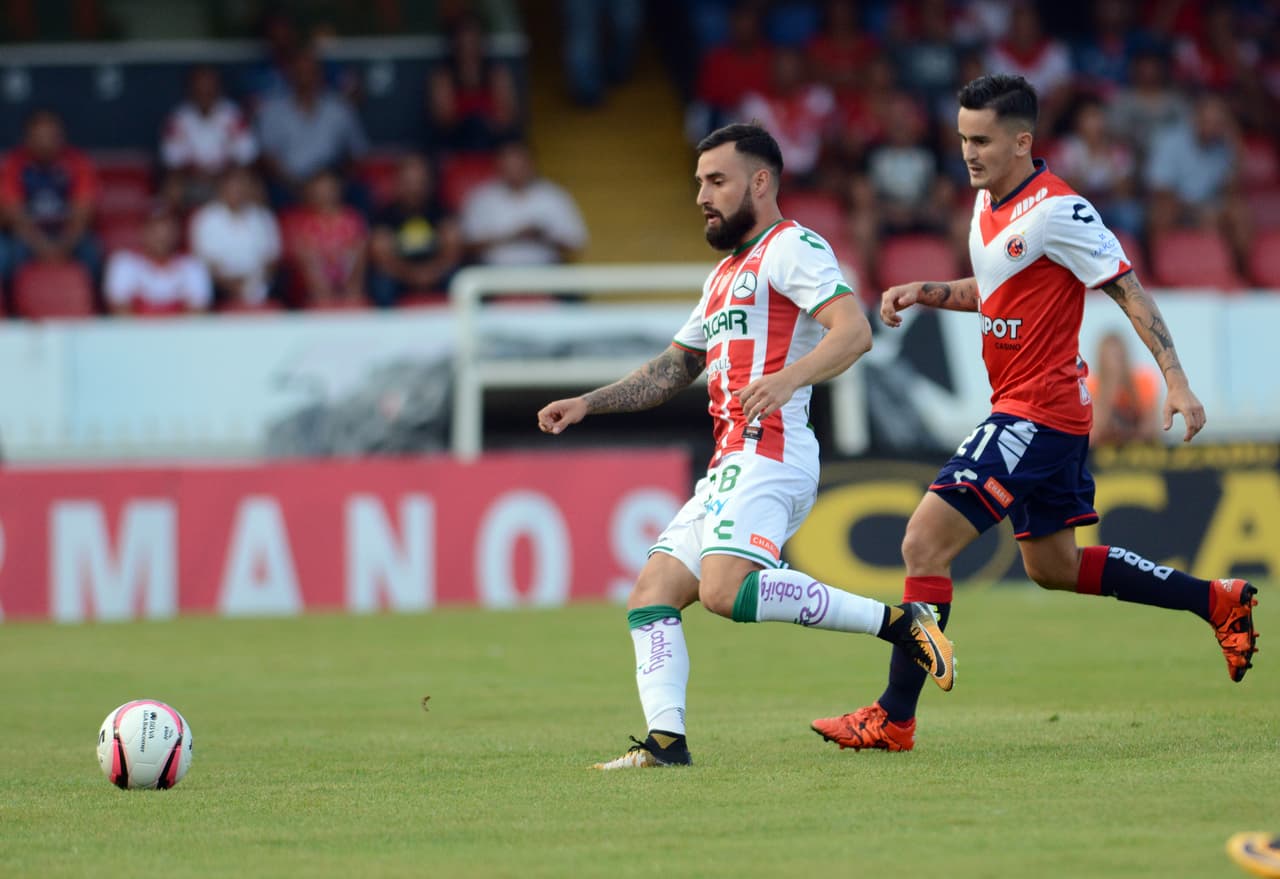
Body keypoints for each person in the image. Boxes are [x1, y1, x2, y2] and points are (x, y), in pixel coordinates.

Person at [811, 74, 1258, 754]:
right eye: (962, 138)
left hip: (1036, 413)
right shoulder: (985, 204)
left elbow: (1130, 292)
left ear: (1023, 141)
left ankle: (894, 716)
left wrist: (1175, 380)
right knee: (1053, 565)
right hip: (1036, 412)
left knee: (922, 543)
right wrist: (927, 290)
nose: (968, 152)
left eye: (982, 139)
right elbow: (992, 292)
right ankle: (1216, 600)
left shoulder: (1061, 211)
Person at [536, 123, 955, 770]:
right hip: (731, 460)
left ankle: (901, 623)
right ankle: (666, 743)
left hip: (772, 450)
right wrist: (589, 402)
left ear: (760, 182)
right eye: (698, 181)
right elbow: (673, 368)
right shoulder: (725, 275)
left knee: (724, 591)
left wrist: (788, 377)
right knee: (652, 594)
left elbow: (853, 332)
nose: (701, 194)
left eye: (716, 181)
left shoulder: (793, 247)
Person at [0, 108, 100, 282]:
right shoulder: (14, 164)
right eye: (39, 138)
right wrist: (43, 249)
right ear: (27, 139)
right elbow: (15, 216)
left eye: (51, 137)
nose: (45, 143)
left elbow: (82, 214)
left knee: (91, 253)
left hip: (66, 233)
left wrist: (63, 247)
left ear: (61, 138)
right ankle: (10, 306)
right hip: (26, 235)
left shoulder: (77, 162)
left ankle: (91, 306)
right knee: (8, 255)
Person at [256, 50, 368, 203]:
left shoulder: (340, 108)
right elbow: (266, 157)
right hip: (287, 184)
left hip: (332, 181)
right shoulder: (273, 110)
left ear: (319, 75)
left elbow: (355, 153)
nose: (305, 78)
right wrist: (295, 184)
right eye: (299, 72)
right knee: (269, 194)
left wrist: (336, 182)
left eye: (310, 72)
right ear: (290, 76)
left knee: (360, 193)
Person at [459, 140, 587, 267]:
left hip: (545, 274)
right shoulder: (482, 198)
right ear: (498, 165)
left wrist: (543, 236)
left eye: (519, 163)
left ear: (531, 163)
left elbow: (576, 244)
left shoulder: (554, 196)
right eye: (509, 164)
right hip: (492, 275)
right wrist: (513, 236)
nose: (514, 169)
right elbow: (465, 246)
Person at [368, 155, 462, 308]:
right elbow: (382, 258)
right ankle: (389, 331)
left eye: (419, 182)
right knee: (382, 284)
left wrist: (430, 273)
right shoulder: (385, 215)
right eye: (408, 182)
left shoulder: (441, 211)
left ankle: (458, 330)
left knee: (459, 279)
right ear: (398, 183)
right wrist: (413, 275)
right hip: (400, 275)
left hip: (437, 272)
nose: (414, 188)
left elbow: (452, 252)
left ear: (429, 183)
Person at [160, 65, 258, 210]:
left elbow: (247, 156)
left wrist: (221, 176)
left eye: (209, 88)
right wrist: (200, 175)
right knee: (172, 188)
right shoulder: (179, 118)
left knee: (255, 187)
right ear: (190, 90)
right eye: (200, 88)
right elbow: (172, 163)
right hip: (192, 182)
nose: (205, 92)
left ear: (218, 89)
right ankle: (172, 231)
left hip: (225, 180)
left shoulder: (232, 114)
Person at [189, 166, 281, 308]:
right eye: (233, 185)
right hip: (221, 285)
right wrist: (231, 285)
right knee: (200, 279)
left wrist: (256, 282)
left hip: (259, 282)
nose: (238, 190)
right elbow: (205, 262)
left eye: (244, 185)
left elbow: (272, 258)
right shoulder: (206, 218)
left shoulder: (263, 216)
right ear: (221, 187)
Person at [427, 13, 521, 150]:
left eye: (474, 38)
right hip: (456, 138)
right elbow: (443, 119)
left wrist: (484, 123)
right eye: (464, 39)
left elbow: (508, 115)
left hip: (493, 137)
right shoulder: (443, 76)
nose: (469, 45)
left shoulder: (496, 73)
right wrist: (470, 120)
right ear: (455, 42)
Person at [281, 169, 367, 307]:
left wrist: (352, 287)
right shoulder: (301, 221)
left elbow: (359, 255)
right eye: (320, 189)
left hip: (347, 280)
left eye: (329, 188)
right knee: (307, 254)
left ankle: (350, 296)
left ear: (337, 190)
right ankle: (326, 298)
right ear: (311, 192)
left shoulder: (351, 218)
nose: (325, 194)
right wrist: (322, 289)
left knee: (359, 248)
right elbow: (305, 260)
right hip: (312, 288)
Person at [104, 208, 212, 315]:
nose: (162, 236)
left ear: (177, 232)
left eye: (167, 229)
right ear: (142, 231)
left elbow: (197, 314)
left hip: (180, 332)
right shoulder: (124, 262)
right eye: (154, 229)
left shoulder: (192, 266)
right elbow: (120, 310)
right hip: (135, 332)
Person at [1086, 331, 1159, 447]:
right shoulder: (1091, 386)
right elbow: (1093, 434)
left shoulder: (1143, 381)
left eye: (1119, 357)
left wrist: (1130, 390)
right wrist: (1110, 387)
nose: (1115, 364)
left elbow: (1151, 429)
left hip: (1137, 452)